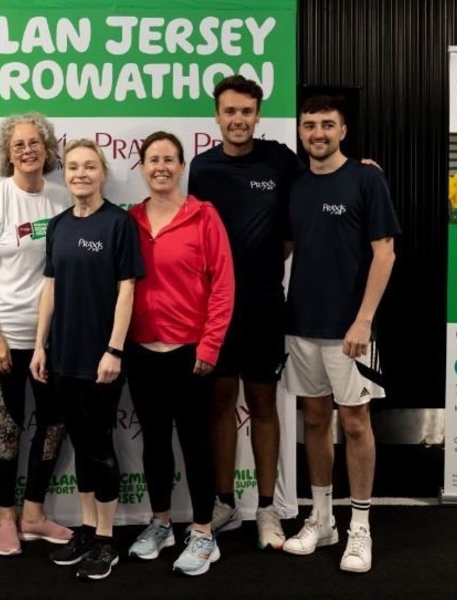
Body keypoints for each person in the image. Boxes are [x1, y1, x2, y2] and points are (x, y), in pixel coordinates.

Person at [280, 95, 399, 574]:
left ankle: (361, 526)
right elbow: (287, 246)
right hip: (301, 325)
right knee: (314, 420)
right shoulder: (293, 183)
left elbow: (385, 254)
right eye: (310, 125)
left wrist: (364, 319)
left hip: (352, 328)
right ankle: (323, 519)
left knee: (354, 423)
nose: (318, 133)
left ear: (343, 131)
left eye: (327, 125)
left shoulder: (367, 178)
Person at [187, 75, 305, 548]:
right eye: (230, 111)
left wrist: (363, 170)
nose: (238, 119)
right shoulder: (202, 168)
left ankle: (267, 509)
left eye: (246, 111)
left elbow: (304, 211)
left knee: (262, 405)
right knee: (218, 402)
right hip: (214, 308)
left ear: (258, 115)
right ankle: (223, 500)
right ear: (216, 116)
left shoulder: (280, 160)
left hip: (262, 304)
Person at [30, 139, 144, 580]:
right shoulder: (57, 225)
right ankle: (86, 527)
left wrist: (114, 349)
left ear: (103, 174)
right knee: (79, 444)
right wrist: (40, 346)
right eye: (73, 167)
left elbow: (127, 290)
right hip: (62, 357)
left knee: (100, 445)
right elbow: (50, 288)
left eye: (89, 167)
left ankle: (106, 540)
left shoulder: (118, 224)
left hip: (102, 359)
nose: (80, 174)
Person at [125, 132, 235, 576]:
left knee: (194, 441)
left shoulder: (203, 217)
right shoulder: (128, 220)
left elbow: (224, 287)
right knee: (153, 440)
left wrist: (210, 346)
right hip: (140, 351)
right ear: (141, 167)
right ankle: (161, 522)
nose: (161, 167)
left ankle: (204, 532)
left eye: (169, 159)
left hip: (191, 352)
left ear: (182, 165)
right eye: (153, 160)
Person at [0, 112, 74, 556]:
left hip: (51, 340)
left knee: (52, 427)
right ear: (6, 154)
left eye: (34, 142)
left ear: (47, 149)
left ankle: (34, 513)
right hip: (3, 335)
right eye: (18, 145)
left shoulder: (63, 200)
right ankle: (4, 516)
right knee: (7, 428)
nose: (27, 150)